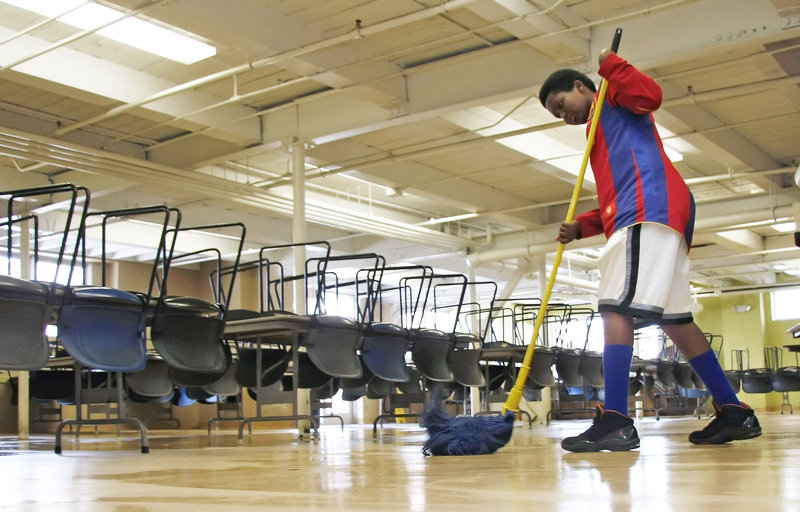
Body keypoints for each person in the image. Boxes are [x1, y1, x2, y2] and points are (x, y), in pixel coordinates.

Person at [538, 49, 761, 452]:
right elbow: (617, 192)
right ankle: (734, 410)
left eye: (561, 104)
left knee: (614, 307)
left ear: (580, 86)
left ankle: (617, 420)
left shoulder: (614, 97)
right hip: (651, 210)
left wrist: (613, 67)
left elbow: (651, 96)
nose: (562, 115)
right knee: (676, 320)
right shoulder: (600, 130)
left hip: (648, 212)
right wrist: (584, 225)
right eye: (555, 114)